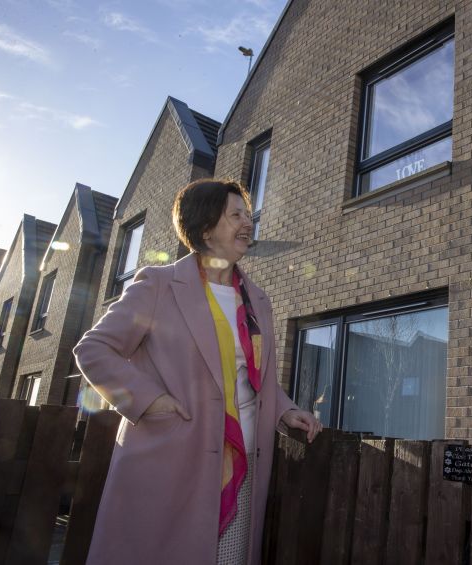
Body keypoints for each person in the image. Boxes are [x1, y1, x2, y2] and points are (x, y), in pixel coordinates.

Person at [74, 179, 322, 565]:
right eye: (235, 214)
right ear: (205, 228)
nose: (247, 222)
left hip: (242, 463)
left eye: (249, 214)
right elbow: (93, 349)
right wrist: (150, 402)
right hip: (173, 460)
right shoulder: (157, 285)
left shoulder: (257, 300)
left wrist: (284, 410)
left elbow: (256, 377)